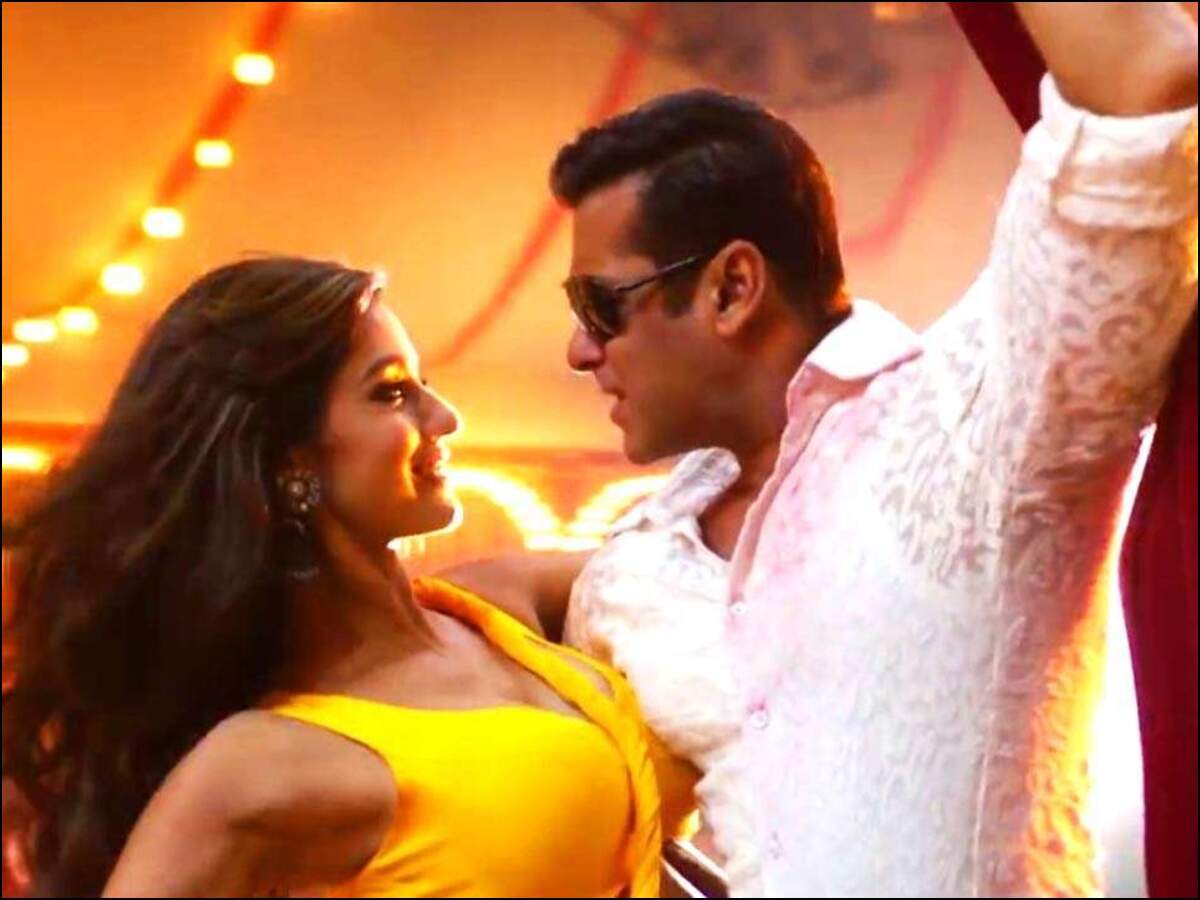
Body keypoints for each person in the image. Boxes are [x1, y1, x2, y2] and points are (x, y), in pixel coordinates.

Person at [453, 2, 1198, 895]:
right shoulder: (635, 571)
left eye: (600, 306)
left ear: (732, 288)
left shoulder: (974, 417)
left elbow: (1143, 90)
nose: (580, 350)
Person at [1, 257, 661, 898]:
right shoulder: (259, 764)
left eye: (422, 384)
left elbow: (709, 572)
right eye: (392, 393)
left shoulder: (497, 605)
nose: (444, 418)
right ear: (290, 459)